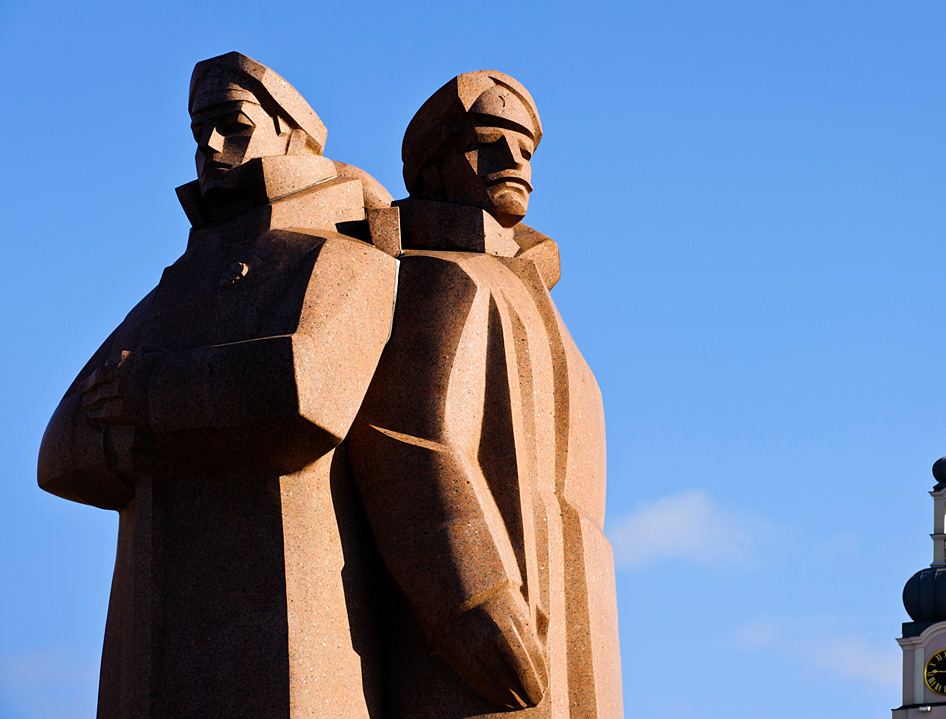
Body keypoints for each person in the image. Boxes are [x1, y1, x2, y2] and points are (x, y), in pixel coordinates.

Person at [38, 52, 397, 718]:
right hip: (152, 633)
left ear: (291, 135)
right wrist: (167, 437)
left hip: (292, 626)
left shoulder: (343, 258)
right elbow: (59, 448)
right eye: (199, 129)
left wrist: (152, 395)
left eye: (233, 124)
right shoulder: (173, 288)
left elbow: (304, 395)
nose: (209, 145)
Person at [348, 71, 624, 718]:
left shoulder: (536, 301)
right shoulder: (443, 276)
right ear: (434, 166)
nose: (517, 162)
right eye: (491, 142)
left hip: (568, 657)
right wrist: (474, 602)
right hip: (483, 658)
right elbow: (410, 437)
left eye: (527, 148)